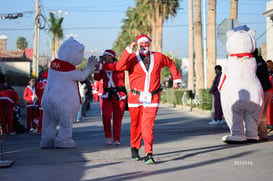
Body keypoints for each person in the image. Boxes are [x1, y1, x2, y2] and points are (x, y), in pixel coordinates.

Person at [98, 35, 181, 164]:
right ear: (137, 45)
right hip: (135, 98)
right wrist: (128, 50)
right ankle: (134, 147)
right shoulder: (131, 58)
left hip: (153, 97)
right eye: (140, 43)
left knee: (147, 125)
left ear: (149, 44)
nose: (143, 46)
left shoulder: (158, 56)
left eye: (146, 43)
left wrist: (176, 78)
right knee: (136, 124)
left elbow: (170, 63)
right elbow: (119, 67)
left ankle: (149, 153)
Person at [94, 49, 127, 145]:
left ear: (112, 57)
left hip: (119, 95)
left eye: (107, 55)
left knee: (117, 119)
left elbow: (114, 68)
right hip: (107, 95)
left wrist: (101, 65)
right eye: (103, 56)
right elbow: (97, 78)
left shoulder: (119, 65)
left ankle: (117, 138)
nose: (104, 57)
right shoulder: (102, 67)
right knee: (106, 115)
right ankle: (108, 136)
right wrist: (97, 68)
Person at [253, 49, 273, 141]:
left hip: (264, 90)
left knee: (260, 113)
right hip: (268, 90)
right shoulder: (261, 62)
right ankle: (263, 133)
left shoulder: (257, 63)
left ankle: (261, 134)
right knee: (263, 113)